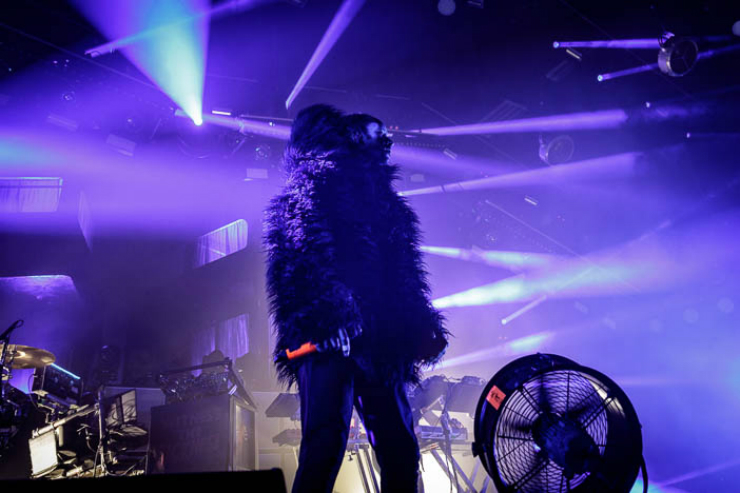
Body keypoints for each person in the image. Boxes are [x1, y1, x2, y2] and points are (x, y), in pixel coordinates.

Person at [264, 104, 448, 493]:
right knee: (325, 445)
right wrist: (327, 318)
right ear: (349, 137)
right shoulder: (311, 189)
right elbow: (301, 258)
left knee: (399, 445)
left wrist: (420, 324)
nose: (387, 140)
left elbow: (402, 272)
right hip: (330, 339)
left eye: (388, 134)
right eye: (376, 133)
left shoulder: (384, 203)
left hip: (378, 340)